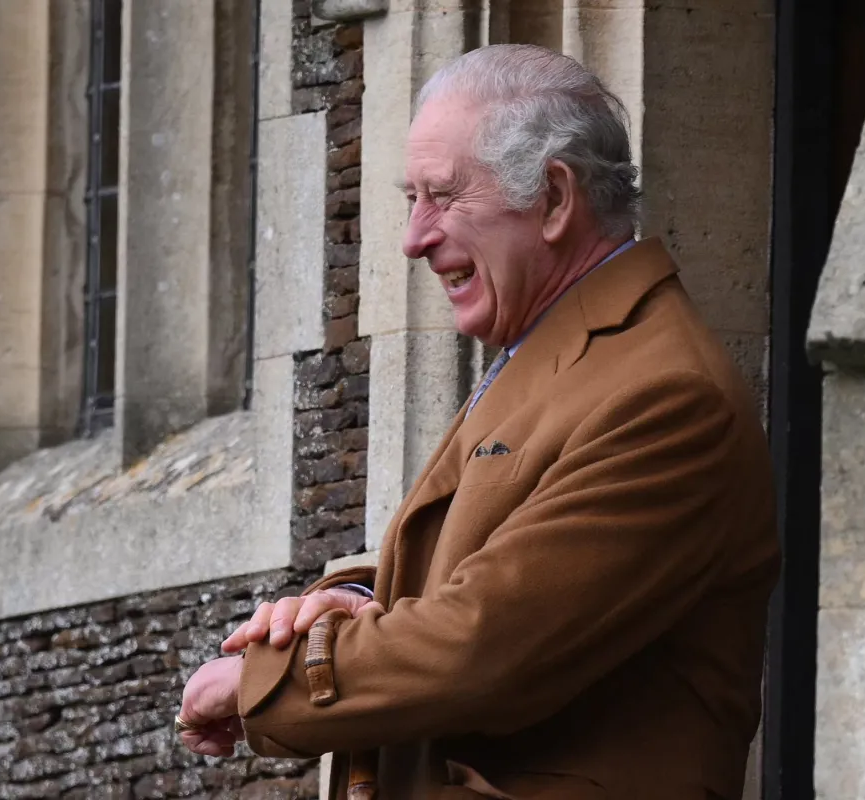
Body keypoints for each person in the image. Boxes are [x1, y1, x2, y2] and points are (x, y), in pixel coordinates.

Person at [177, 43, 780, 800]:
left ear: (556, 198)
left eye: (445, 196)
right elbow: (500, 570)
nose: (415, 237)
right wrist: (357, 604)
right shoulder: (561, 348)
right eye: (412, 200)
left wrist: (261, 681)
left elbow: (488, 647)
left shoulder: (663, 395)